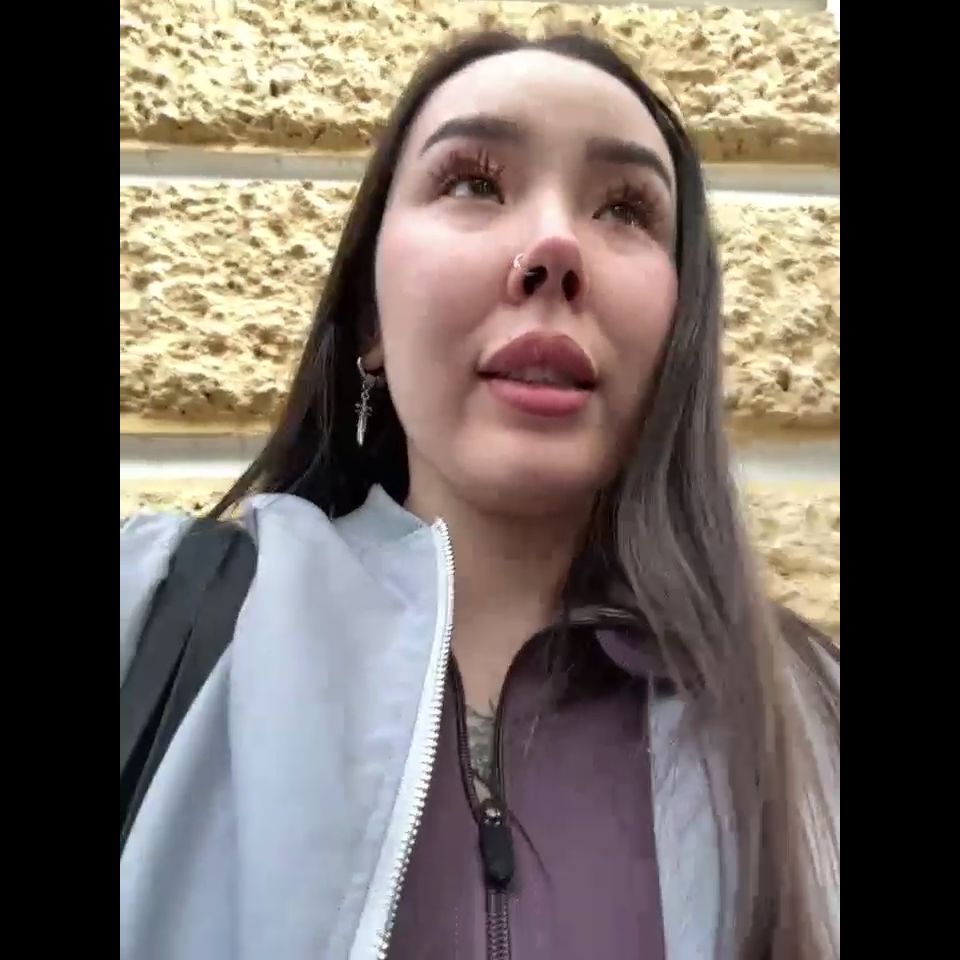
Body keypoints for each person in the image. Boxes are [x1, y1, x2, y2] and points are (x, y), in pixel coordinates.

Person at [119, 30, 839, 960]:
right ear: (372, 318)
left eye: (625, 208)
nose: (554, 247)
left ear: (679, 330)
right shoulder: (147, 613)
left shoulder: (814, 717)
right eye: (472, 183)